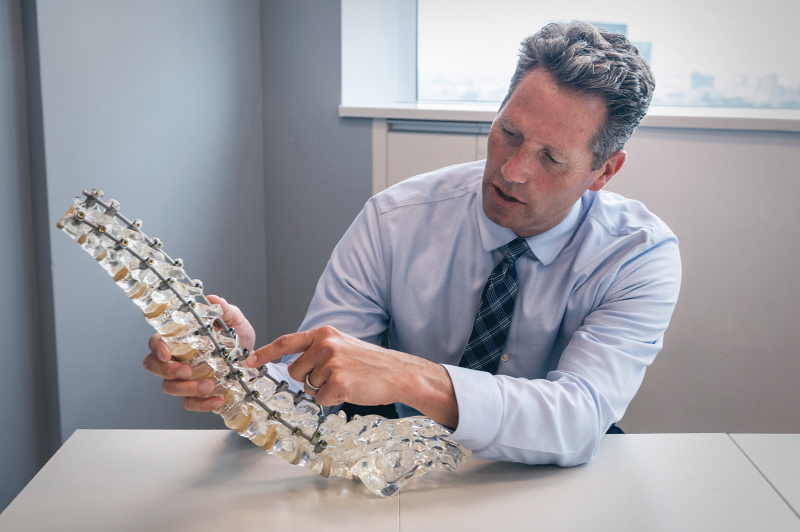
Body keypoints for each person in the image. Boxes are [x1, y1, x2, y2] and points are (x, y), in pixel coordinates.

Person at [144, 21, 681, 466]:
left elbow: (580, 417)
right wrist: (239, 372)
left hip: (549, 476)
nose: (513, 171)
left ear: (603, 172)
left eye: (552, 158)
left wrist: (408, 375)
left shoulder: (638, 256)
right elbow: (312, 388)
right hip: (396, 465)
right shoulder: (394, 219)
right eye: (509, 134)